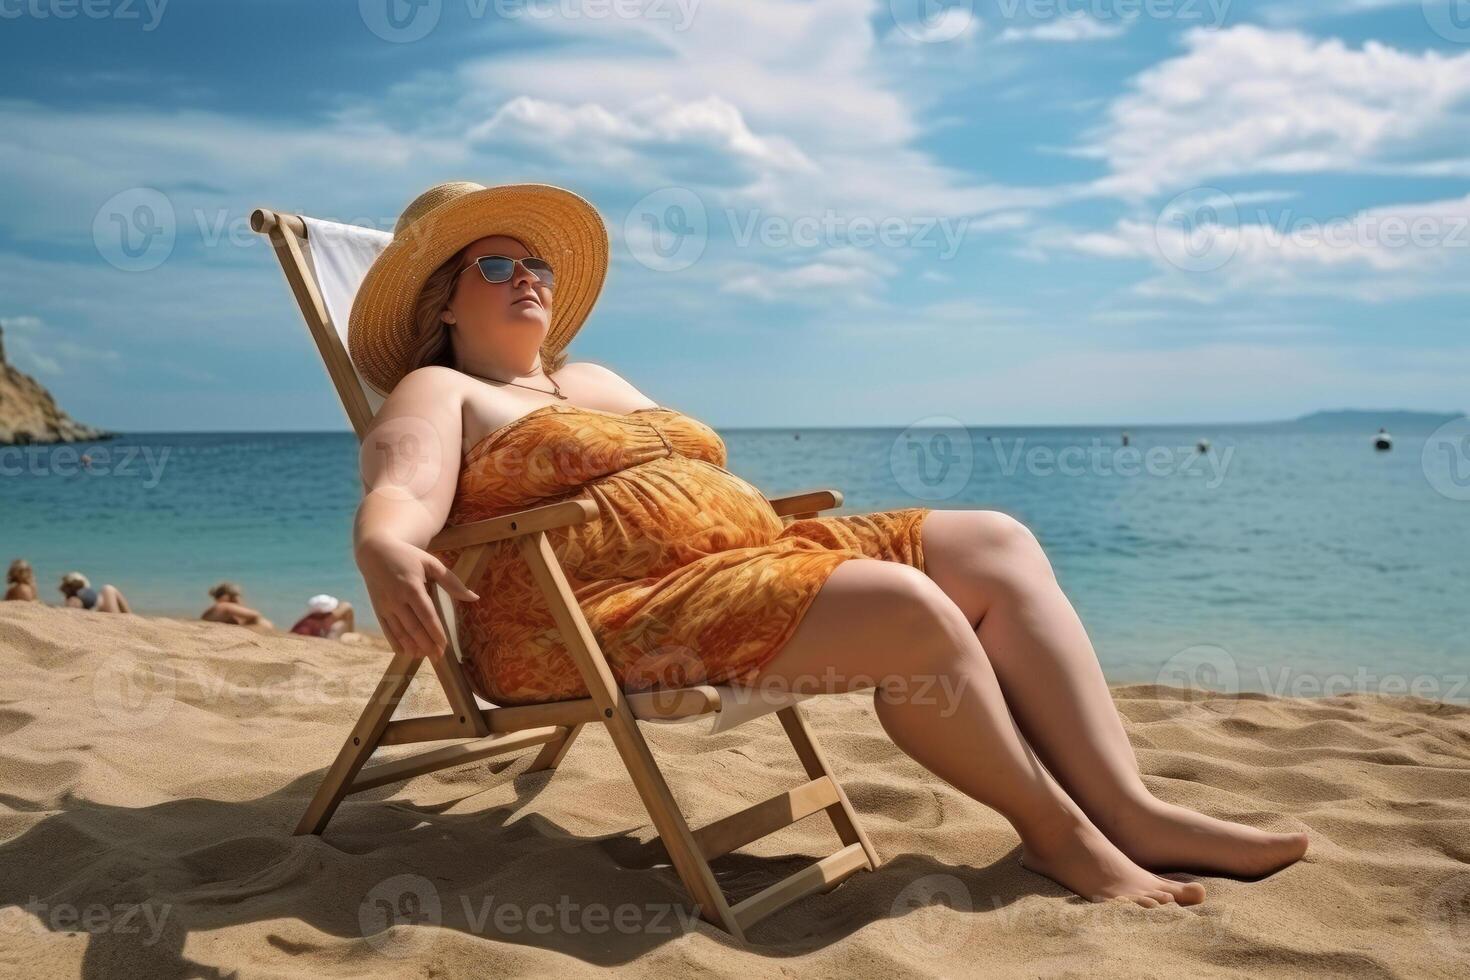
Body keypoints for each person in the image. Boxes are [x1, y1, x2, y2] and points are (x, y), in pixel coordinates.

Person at [344, 181, 1308, 909]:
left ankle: (1132, 810)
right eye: (498, 268)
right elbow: (403, 481)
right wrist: (386, 543)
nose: (529, 282)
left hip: (741, 563)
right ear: (444, 304)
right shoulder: (444, 391)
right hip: (594, 622)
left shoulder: (592, 375)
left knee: (993, 541)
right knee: (907, 608)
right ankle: (1057, 835)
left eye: (537, 267)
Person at [201, 581, 274, 631]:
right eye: (235, 596)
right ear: (228, 596)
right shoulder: (224, 606)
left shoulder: (218, 609)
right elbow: (255, 614)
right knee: (259, 620)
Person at [289, 594, 356, 640]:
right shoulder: (305, 629)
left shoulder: (315, 620)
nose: (334, 613)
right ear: (324, 615)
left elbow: (347, 606)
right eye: (331, 612)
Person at [58, 572, 131, 613]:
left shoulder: (75, 596)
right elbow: (74, 608)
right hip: (108, 611)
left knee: (108, 589)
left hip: (103, 609)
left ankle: (130, 617)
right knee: (108, 588)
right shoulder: (78, 595)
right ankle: (130, 616)